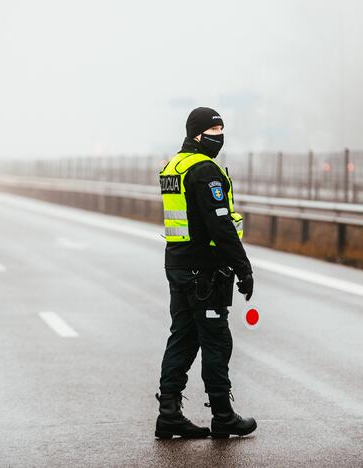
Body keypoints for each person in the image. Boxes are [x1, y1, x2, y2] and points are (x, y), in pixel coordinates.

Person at [155, 107, 257, 439]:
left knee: (182, 337)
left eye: (222, 130)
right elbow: (220, 225)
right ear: (197, 134)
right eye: (214, 132)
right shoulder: (204, 170)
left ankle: (168, 414)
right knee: (216, 340)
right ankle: (223, 416)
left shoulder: (174, 166)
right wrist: (243, 267)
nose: (220, 138)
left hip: (177, 263)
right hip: (204, 271)